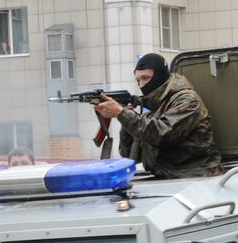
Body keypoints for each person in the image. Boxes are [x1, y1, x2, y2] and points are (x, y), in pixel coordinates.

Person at [93, 52, 223, 179]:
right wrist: (126, 114)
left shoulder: (187, 100)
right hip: (166, 177)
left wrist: (121, 113)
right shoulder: (155, 107)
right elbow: (130, 154)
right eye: (138, 80)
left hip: (196, 176)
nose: (141, 85)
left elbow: (161, 134)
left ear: (160, 75)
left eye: (145, 78)